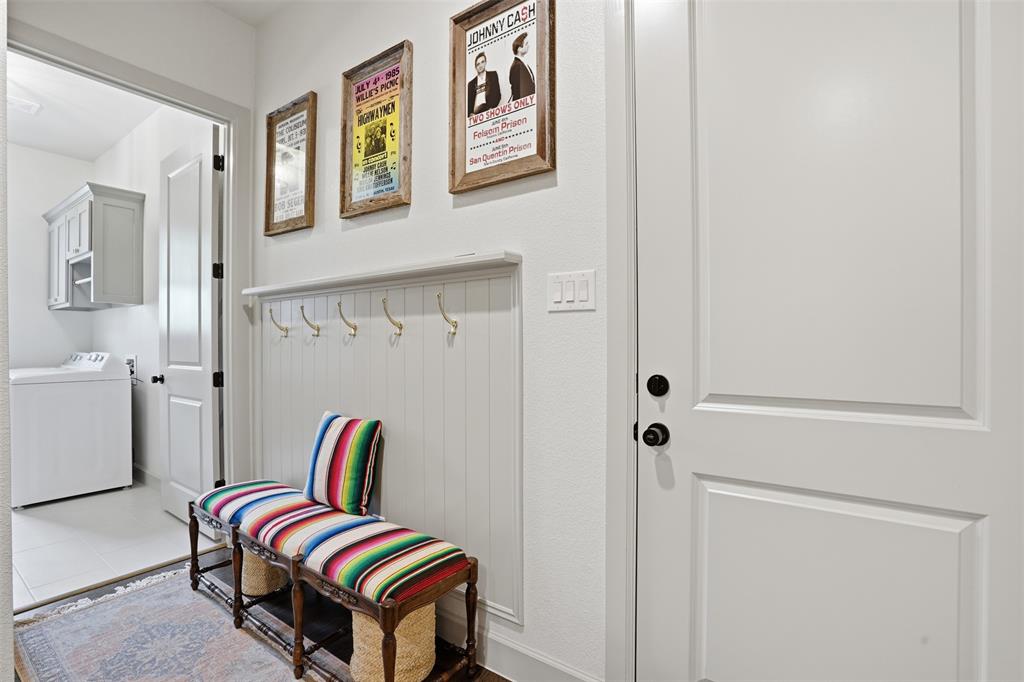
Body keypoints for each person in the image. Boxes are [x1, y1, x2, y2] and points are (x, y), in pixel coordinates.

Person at [467, 51, 501, 116]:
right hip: (475, 114)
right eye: (478, 64)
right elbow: (469, 103)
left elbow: (497, 94)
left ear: (485, 62)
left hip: (489, 111)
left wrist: (492, 109)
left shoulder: (493, 75)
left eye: (482, 62)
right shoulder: (471, 84)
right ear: (475, 67)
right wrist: (471, 114)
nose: (480, 65)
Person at [508, 33, 536, 102]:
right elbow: (517, 91)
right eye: (526, 44)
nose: (528, 46)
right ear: (519, 49)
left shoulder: (522, 63)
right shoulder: (516, 66)